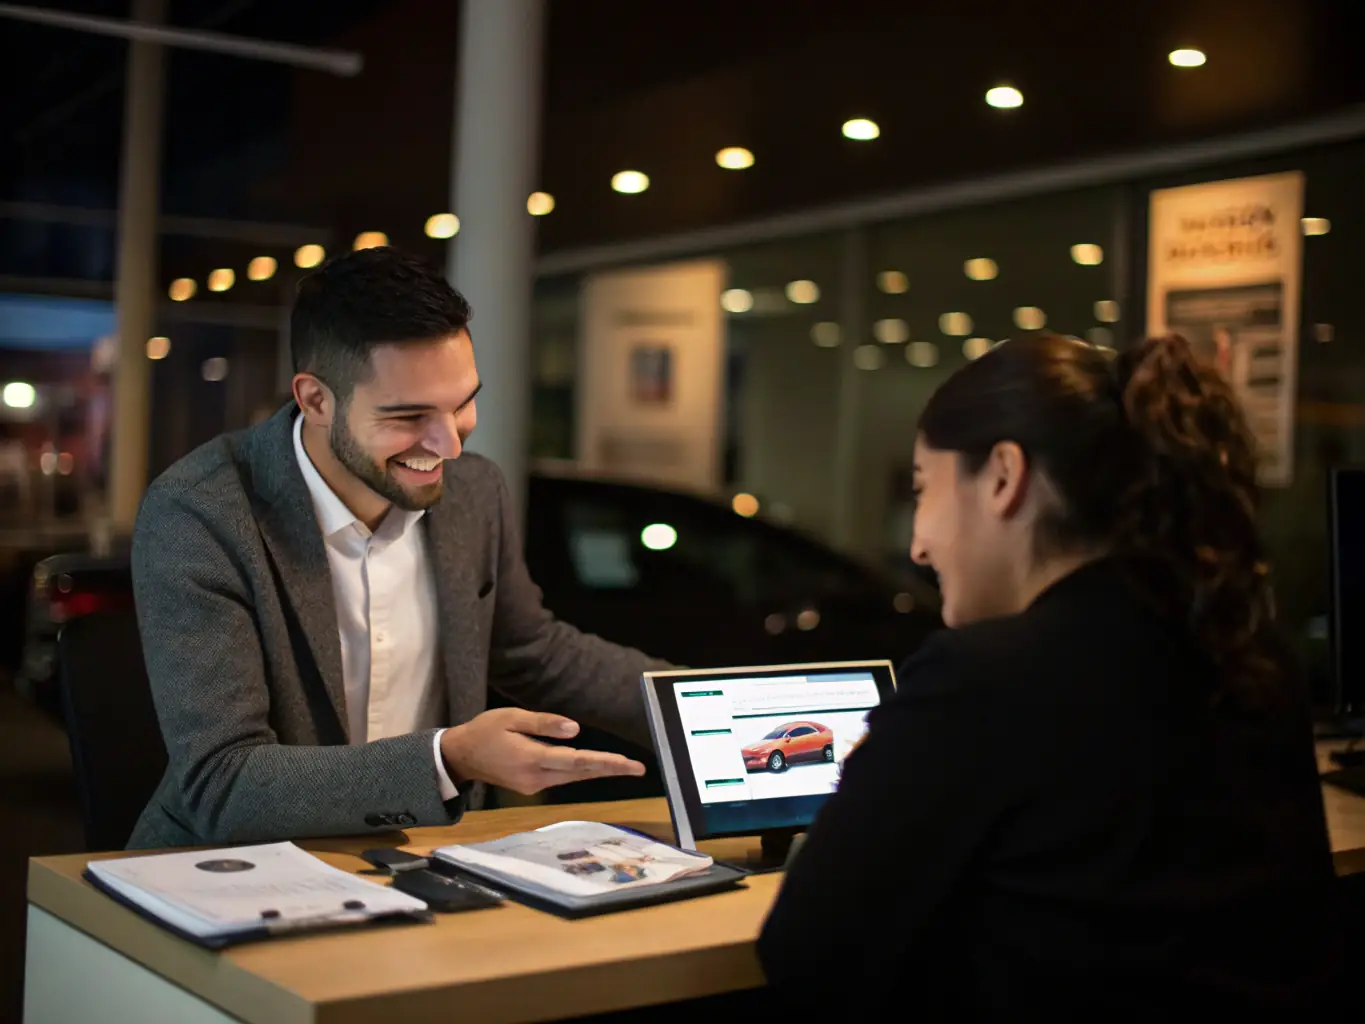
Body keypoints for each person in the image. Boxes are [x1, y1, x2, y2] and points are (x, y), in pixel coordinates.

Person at [757, 333, 1340, 1016]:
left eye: (922, 488)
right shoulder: (1249, 653)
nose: (916, 542)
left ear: (1003, 476)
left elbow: (804, 950)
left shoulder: (978, 681)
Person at [128, 248, 667, 849]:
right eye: (409, 416)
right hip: (230, 871)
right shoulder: (199, 512)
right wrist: (449, 758)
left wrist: (708, 704)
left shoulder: (475, 492)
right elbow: (223, 783)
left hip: (426, 857)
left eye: (462, 403)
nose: (449, 446)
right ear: (315, 401)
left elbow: (534, 652)